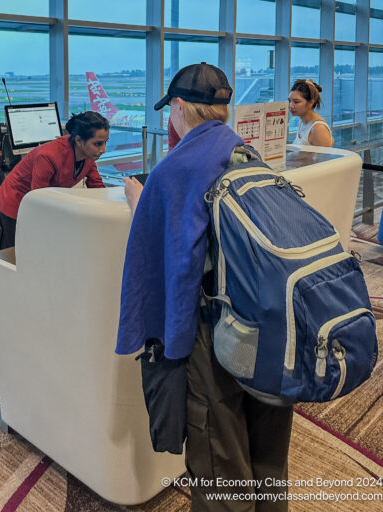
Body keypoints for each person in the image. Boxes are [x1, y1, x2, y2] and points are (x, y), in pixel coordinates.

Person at [116, 62, 293, 512]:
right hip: (266, 326)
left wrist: (141, 204)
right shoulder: (246, 154)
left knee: (218, 454)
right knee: (267, 449)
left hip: (214, 332)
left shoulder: (175, 171)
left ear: (177, 107)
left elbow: (172, 262)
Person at [0, 110, 109, 248]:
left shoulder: (88, 157)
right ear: (79, 140)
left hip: (41, 202)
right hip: (15, 199)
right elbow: (39, 199)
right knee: (19, 252)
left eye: (105, 143)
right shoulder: (49, 156)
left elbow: (97, 188)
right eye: (97, 144)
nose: (103, 150)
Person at [289, 79, 334, 147]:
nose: (291, 105)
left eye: (296, 102)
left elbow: (326, 157)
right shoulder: (302, 122)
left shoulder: (318, 128)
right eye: (290, 101)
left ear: (311, 102)